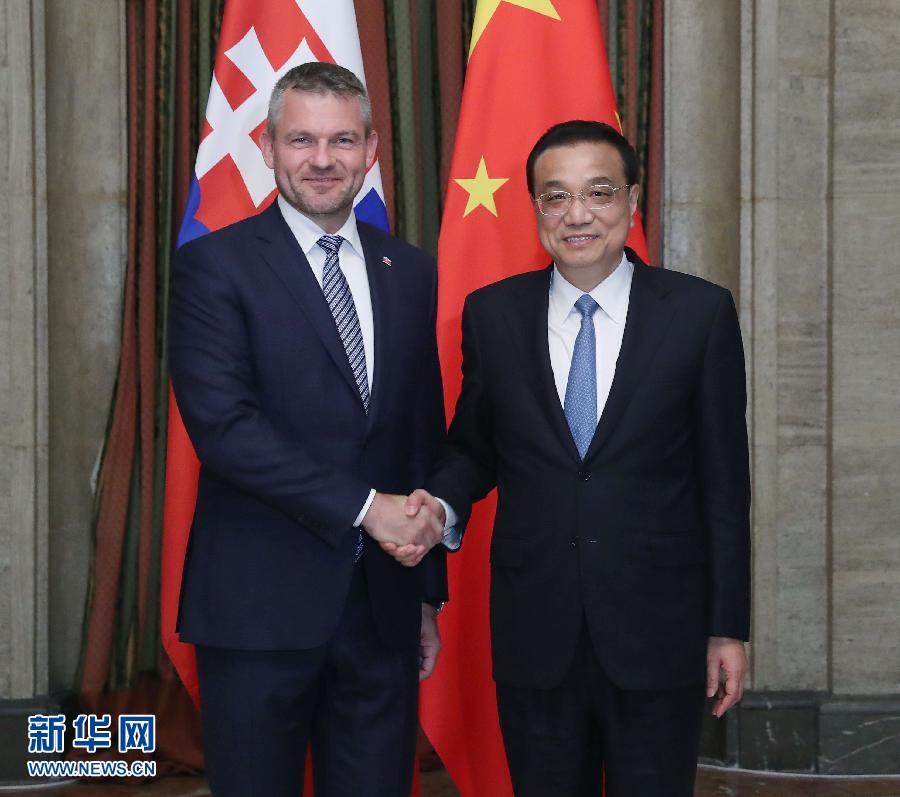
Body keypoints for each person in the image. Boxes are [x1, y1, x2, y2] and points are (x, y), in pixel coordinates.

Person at [389, 120, 751, 796]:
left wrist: (727, 627)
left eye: (598, 192)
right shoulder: (493, 315)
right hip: (537, 632)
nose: (577, 214)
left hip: (659, 633)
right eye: (555, 196)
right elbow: (473, 449)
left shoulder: (698, 314)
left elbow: (726, 487)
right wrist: (436, 506)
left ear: (632, 200)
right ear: (535, 208)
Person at [169, 62, 447, 797]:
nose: (322, 159)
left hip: (382, 613)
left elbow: (418, 435)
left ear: (371, 149)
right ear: (267, 146)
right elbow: (226, 431)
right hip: (257, 611)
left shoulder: (410, 271)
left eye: (342, 140)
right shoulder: (213, 267)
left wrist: (424, 595)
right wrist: (367, 508)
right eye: (301, 140)